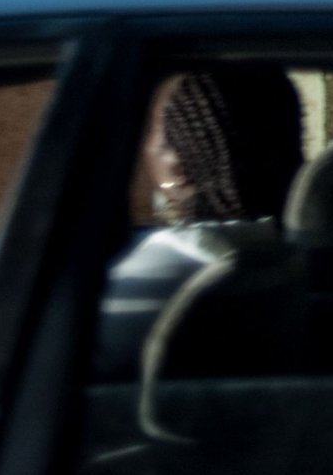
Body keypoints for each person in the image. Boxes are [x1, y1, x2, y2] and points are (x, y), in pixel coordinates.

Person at [94, 66, 304, 379]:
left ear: (177, 167)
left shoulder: (177, 260)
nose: (142, 149)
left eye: (150, 134)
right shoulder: (278, 250)